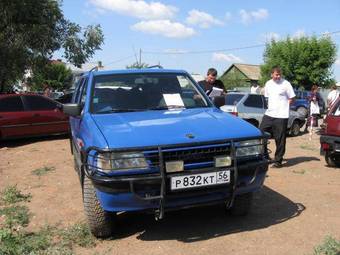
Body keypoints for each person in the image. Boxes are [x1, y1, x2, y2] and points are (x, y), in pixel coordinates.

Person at [260, 66, 295, 168]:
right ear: (272, 74)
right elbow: (267, 97)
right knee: (260, 133)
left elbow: (292, 98)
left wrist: (285, 106)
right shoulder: (268, 84)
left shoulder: (286, 84)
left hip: (281, 115)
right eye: (276, 75)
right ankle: (265, 155)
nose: (278, 76)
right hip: (269, 114)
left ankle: (278, 161)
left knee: (279, 139)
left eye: (279, 75)